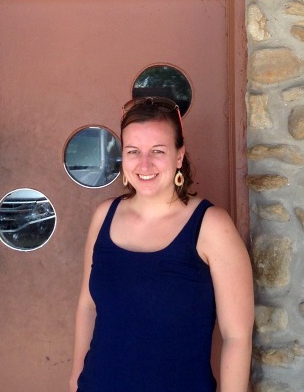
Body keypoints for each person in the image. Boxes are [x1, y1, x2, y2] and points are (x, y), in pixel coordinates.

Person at [70, 95, 254, 392]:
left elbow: (237, 336)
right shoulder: (104, 216)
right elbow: (87, 306)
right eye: (133, 151)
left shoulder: (211, 226)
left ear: (179, 156)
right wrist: (75, 378)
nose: (144, 164)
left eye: (158, 151)